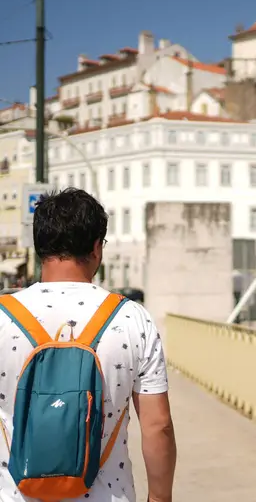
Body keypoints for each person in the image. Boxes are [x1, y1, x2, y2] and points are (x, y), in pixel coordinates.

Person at [0, 188, 176, 502]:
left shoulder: (2, 318)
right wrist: (160, 498)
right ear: (97, 247)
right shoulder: (131, 318)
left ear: (40, 246)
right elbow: (157, 425)